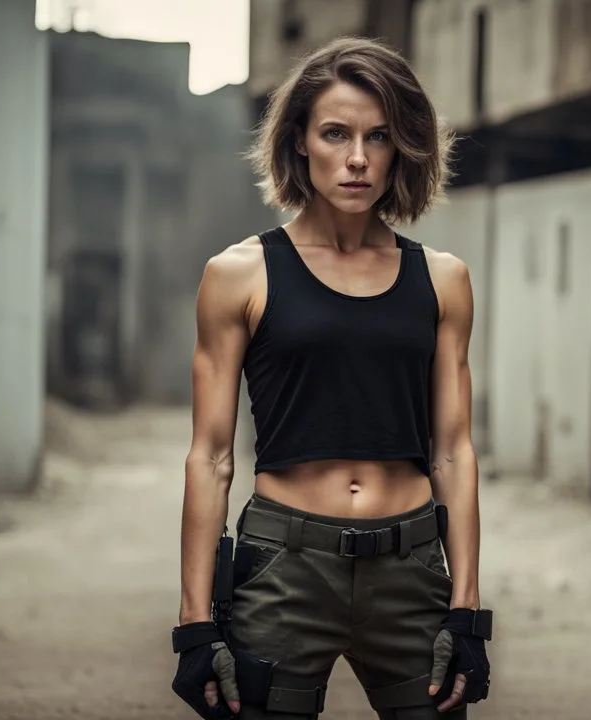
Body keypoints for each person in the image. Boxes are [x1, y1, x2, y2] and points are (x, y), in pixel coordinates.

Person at [171, 36, 492, 720]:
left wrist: (465, 610)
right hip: (284, 570)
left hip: (410, 570)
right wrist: (196, 624)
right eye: (335, 134)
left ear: (402, 148)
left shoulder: (443, 280)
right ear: (298, 143)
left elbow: (453, 450)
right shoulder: (239, 275)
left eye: (378, 137)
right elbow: (210, 456)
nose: (357, 159)